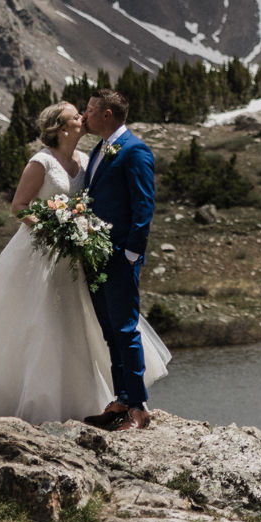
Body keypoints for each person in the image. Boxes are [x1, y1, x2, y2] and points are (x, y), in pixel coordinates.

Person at [0, 99, 168, 424]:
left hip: (74, 257)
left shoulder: (88, 158)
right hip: (39, 252)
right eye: (76, 116)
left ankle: (106, 400)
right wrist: (55, 227)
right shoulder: (41, 162)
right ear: (60, 127)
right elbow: (19, 206)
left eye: (84, 113)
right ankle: (25, 400)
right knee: (34, 321)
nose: (83, 118)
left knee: (78, 324)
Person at [76, 89, 159, 430]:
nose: (85, 115)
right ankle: (121, 399)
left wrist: (131, 254)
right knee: (111, 331)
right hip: (97, 256)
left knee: (125, 329)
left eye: (90, 110)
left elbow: (144, 205)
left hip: (120, 257)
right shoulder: (99, 149)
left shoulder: (135, 150)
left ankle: (138, 408)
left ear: (107, 114)